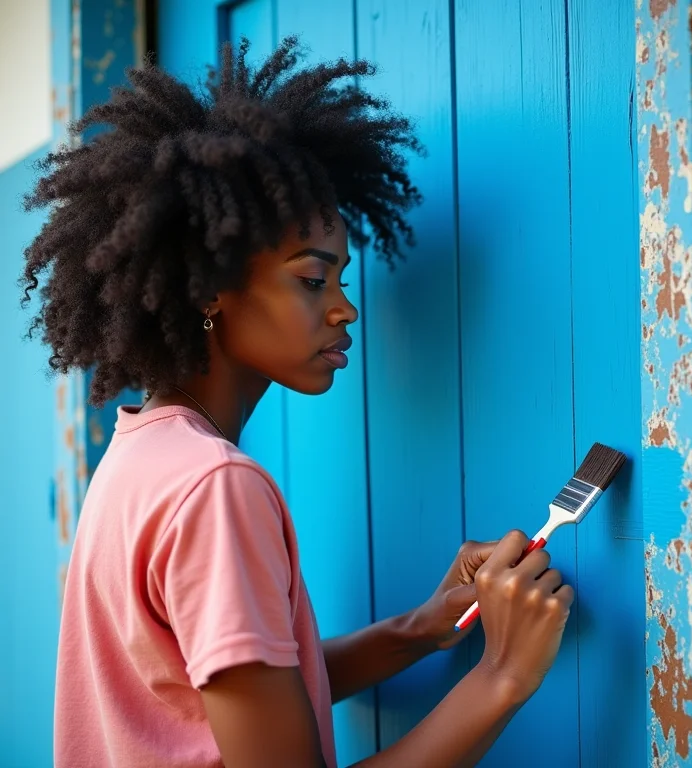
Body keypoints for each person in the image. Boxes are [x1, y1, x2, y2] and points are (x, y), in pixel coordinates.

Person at [22, 36, 574, 768]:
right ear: (207, 289)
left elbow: (214, 693)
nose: (346, 310)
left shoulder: (139, 459)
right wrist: (504, 678)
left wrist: (419, 627)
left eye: (342, 280)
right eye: (314, 281)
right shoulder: (214, 488)